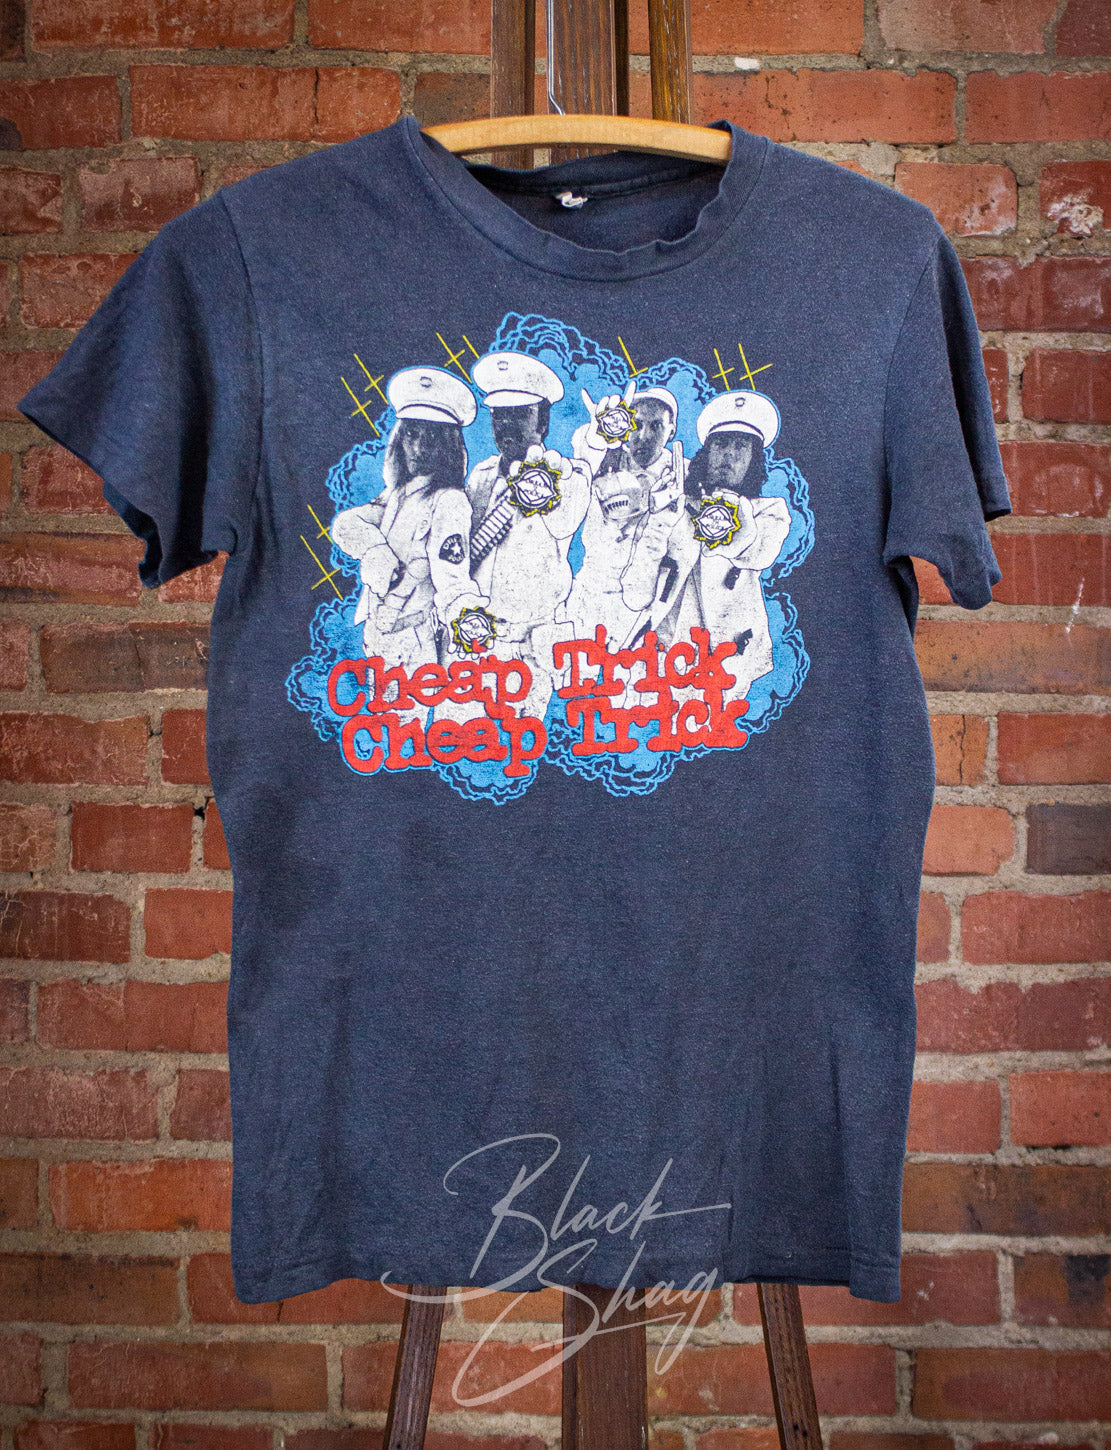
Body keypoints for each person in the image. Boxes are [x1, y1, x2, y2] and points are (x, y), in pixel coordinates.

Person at [330, 367, 485, 700]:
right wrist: (377, 551)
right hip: (379, 635)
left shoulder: (449, 501)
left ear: (448, 445)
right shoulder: (397, 495)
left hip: (412, 641)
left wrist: (469, 620)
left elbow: (452, 577)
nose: (419, 447)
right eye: (412, 434)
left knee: (405, 727)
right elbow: (346, 524)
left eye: (432, 437)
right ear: (399, 438)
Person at [636, 389, 792, 713]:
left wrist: (726, 505)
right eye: (720, 444)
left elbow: (757, 550)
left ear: (754, 460)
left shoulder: (768, 512)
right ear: (707, 452)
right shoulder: (677, 500)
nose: (728, 456)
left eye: (741, 446)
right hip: (670, 645)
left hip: (732, 652)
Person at [463, 350, 591, 722]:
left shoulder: (567, 478)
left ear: (543, 422)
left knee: (522, 740)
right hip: (477, 640)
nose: (507, 425)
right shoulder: (481, 477)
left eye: (520, 414)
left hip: (529, 648)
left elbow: (565, 521)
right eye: (498, 415)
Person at [568, 384, 686, 705]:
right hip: (593, 596)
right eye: (637, 423)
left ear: (672, 430)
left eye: (656, 426)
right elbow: (583, 446)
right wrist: (599, 434)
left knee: (634, 705)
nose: (644, 435)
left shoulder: (684, 474)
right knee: (577, 694)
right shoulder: (603, 457)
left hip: (648, 606)